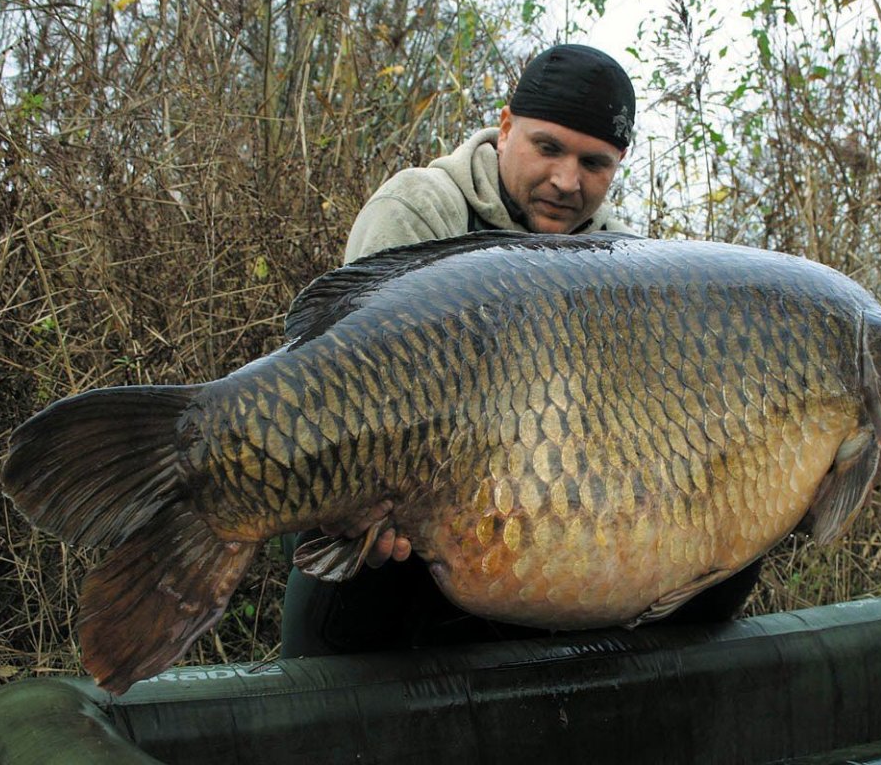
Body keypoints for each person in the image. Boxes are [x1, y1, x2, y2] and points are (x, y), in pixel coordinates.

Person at [281, 43, 760, 659]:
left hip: (529, 529)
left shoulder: (626, 264)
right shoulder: (420, 209)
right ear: (505, 127)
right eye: (548, 147)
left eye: (595, 162)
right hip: (401, 509)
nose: (567, 181)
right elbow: (351, 390)